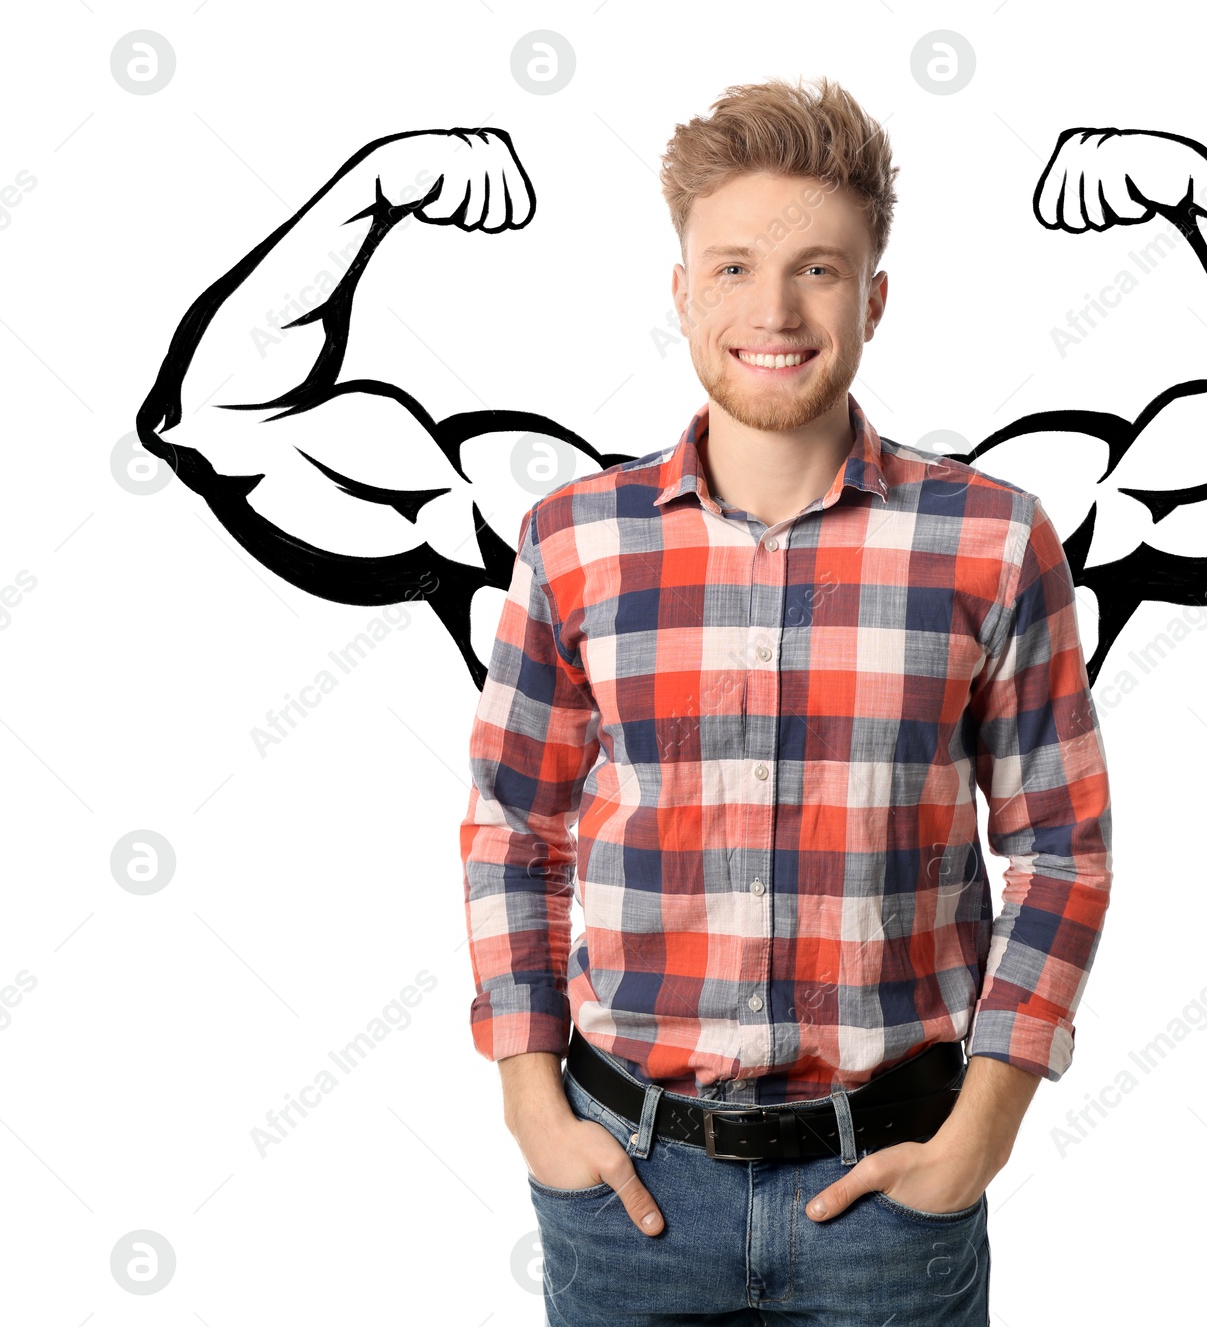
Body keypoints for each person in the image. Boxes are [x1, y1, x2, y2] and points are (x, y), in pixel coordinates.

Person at [461, 75, 1114, 1324]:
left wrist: (983, 1130)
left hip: (894, 1193)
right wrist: (530, 1103)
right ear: (680, 291)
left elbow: (1060, 847)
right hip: (625, 1187)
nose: (774, 309)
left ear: (871, 297)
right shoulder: (572, 540)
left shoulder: (992, 541)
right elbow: (513, 829)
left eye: (818, 270)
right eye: (732, 269)